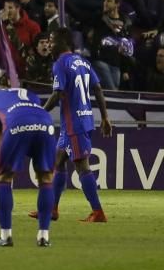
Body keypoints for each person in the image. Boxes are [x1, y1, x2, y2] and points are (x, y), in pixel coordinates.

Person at [29, 28, 113, 223]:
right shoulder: (83, 61)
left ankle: (98, 211)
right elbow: (98, 88)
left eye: (52, 40)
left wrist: (40, 112)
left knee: (82, 166)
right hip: (81, 120)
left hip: (74, 123)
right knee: (58, 162)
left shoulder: (60, 64)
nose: (49, 44)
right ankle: (52, 209)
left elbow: (57, 93)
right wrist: (105, 117)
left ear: (63, 42)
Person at [0, 81, 57, 248]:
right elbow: (32, 113)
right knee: (46, 178)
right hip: (45, 122)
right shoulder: (30, 94)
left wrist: (1, 159)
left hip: (17, 123)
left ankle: (5, 236)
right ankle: (44, 236)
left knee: (3, 177)